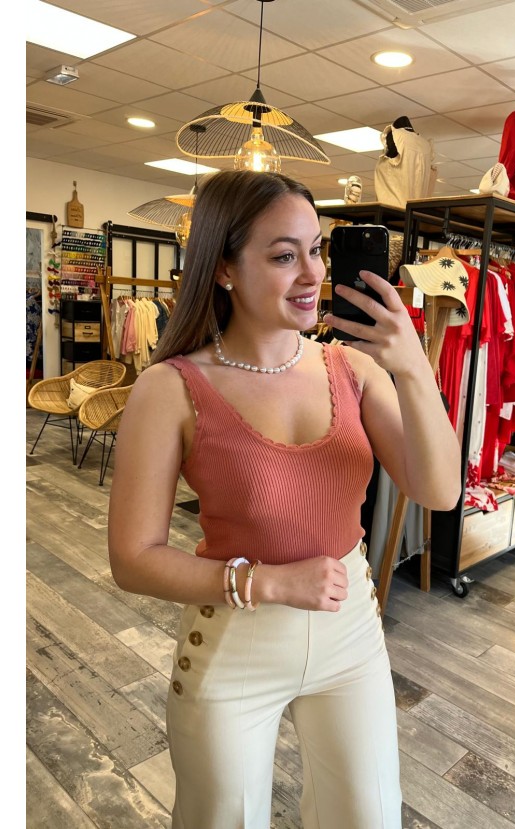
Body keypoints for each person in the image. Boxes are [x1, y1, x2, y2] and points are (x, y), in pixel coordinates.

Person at [108, 169, 461, 829]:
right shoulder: (171, 387)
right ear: (223, 269)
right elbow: (132, 558)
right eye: (283, 255)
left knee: (368, 817)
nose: (312, 274)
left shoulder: (353, 369)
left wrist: (413, 365)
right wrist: (268, 582)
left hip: (349, 633)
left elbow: (439, 491)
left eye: (317, 249)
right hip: (235, 637)